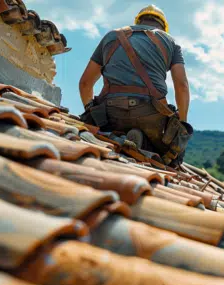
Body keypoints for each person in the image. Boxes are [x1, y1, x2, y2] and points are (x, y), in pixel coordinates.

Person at [78, 4, 192, 166]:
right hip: (151, 115)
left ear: (139, 21)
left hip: (111, 112)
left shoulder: (111, 36)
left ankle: (114, 136)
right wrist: (181, 124)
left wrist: (92, 112)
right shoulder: (170, 42)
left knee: (95, 124)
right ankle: (143, 145)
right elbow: (182, 86)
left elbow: (85, 83)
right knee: (173, 155)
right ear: (163, 26)